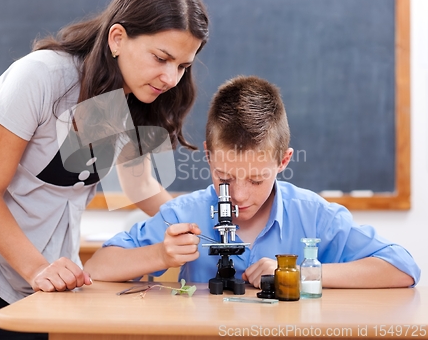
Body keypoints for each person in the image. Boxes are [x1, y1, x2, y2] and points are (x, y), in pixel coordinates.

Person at [0, 0, 209, 340]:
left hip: (39, 285)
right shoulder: (42, 78)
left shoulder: (117, 99)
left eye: (183, 66)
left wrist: (204, 229)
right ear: (118, 38)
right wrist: (38, 270)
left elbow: (139, 186)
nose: (171, 78)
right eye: (161, 58)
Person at [86, 75, 420, 289]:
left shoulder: (312, 215)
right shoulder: (184, 214)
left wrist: (297, 275)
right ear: (208, 156)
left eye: (257, 180)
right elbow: (99, 267)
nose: (239, 197)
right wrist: (161, 254)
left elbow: (402, 268)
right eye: (225, 178)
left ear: (284, 161)